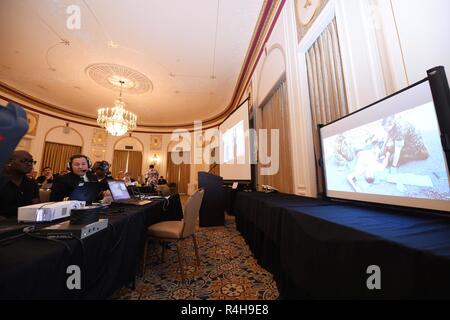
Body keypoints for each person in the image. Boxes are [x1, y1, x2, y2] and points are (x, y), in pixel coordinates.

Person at [0, 151, 40, 219]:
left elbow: (35, 207)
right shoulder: (2, 181)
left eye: (31, 161)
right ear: (9, 162)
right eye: (24, 160)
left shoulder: (32, 183)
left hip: (25, 222)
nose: (29, 164)